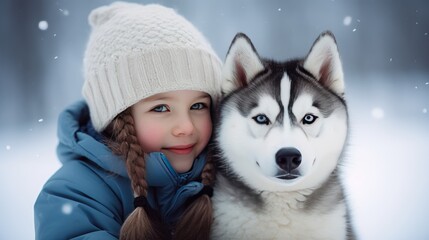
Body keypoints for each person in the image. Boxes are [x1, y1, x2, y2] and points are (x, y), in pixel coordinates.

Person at [34, 2, 222, 239]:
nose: (186, 127)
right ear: (118, 119)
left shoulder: (229, 178)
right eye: (161, 108)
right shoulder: (75, 192)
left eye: (198, 106)